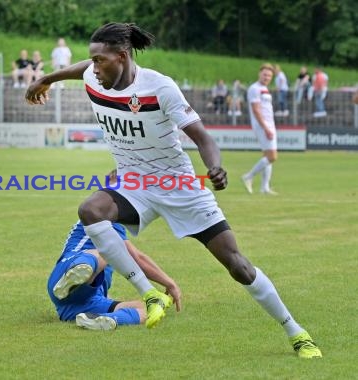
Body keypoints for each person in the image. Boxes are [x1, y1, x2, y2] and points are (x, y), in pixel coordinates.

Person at [25, 22, 321, 358]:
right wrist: (47, 78)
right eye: (92, 60)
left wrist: (214, 167)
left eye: (100, 60)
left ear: (122, 57)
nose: (93, 67)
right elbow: (81, 69)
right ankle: (147, 293)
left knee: (239, 266)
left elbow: (203, 138)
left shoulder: (160, 87)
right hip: (134, 184)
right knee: (91, 209)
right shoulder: (96, 74)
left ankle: (296, 332)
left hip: (178, 186)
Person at [48, 218, 181, 330]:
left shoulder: (107, 218)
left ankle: (102, 319)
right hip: (63, 274)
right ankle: (75, 274)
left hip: (78, 303)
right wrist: (170, 283)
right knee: (106, 250)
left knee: (147, 309)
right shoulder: (101, 219)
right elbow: (137, 258)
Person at [242, 63, 279, 195]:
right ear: (259, 74)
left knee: (267, 156)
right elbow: (256, 110)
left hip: (269, 124)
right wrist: (266, 127)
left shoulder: (264, 88)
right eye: (265, 74)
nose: (267, 77)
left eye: (269, 75)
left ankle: (264, 187)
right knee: (272, 156)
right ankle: (248, 176)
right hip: (263, 125)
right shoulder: (254, 88)